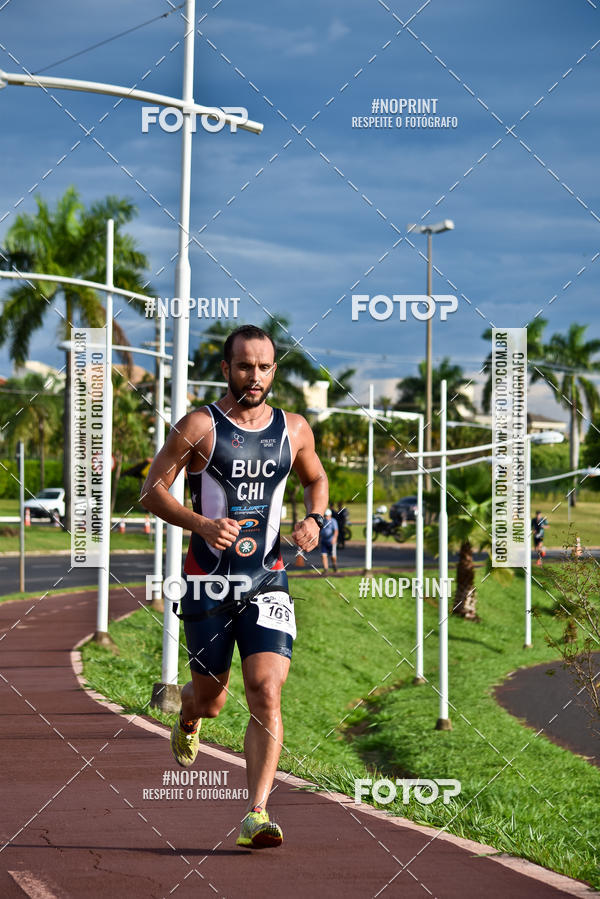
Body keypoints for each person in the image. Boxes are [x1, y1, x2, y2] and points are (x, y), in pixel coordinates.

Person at [141, 325, 328, 848]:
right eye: (245, 366)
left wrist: (315, 519)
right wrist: (201, 524)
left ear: (274, 370)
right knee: (212, 701)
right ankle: (187, 713)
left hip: (268, 577)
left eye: (265, 367)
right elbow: (151, 490)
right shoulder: (201, 426)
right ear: (226, 369)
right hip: (206, 582)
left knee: (266, 690)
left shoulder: (295, 430)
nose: (255, 376)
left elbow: (317, 480)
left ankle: (256, 813)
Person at [320, 508, 338, 573]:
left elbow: (336, 531)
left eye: (327, 516)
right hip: (324, 541)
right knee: (323, 555)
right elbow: (320, 530)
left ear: (330, 515)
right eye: (325, 515)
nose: (326, 517)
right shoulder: (323, 521)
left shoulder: (333, 521)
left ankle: (334, 565)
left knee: (333, 556)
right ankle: (326, 569)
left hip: (331, 541)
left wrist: (334, 538)